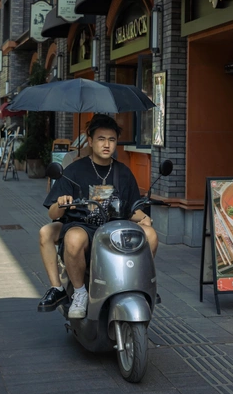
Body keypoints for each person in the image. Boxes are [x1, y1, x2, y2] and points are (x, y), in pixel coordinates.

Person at [38, 114, 158, 318]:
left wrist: (143, 218)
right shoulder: (74, 170)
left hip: (115, 228)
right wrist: (61, 203)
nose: (106, 145)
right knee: (73, 239)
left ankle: (137, 282)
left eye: (111, 140)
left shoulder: (123, 173)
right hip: (83, 226)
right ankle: (79, 293)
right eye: (101, 139)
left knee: (151, 234)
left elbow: (132, 209)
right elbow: (52, 212)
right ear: (91, 140)